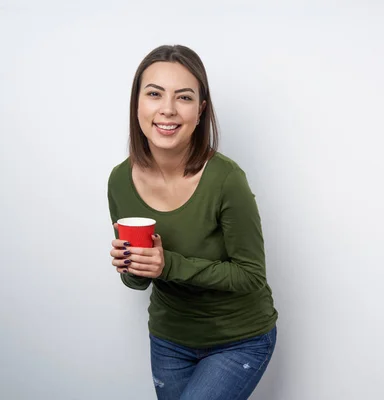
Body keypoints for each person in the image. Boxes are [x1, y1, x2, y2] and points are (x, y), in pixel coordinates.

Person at [107, 45, 278, 400]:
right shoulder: (120, 181)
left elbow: (250, 274)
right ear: (137, 103)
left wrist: (168, 263)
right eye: (154, 94)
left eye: (183, 97)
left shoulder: (226, 178)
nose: (167, 109)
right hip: (169, 341)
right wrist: (133, 266)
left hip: (239, 339)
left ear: (200, 110)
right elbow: (136, 283)